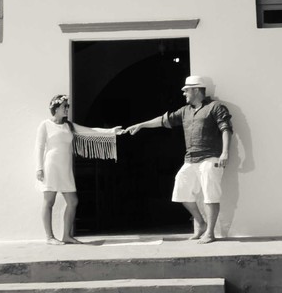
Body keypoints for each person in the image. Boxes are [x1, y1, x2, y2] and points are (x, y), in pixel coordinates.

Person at [125, 75, 232, 243]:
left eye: (186, 90)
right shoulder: (185, 111)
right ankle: (201, 223)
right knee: (181, 190)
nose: (184, 94)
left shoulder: (215, 107)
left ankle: (210, 233)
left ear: (196, 90)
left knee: (210, 195)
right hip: (190, 159)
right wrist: (141, 125)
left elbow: (226, 129)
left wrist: (225, 153)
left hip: (211, 158)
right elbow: (162, 120)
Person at [36, 95, 120, 244]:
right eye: (64, 106)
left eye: (68, 106)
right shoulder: (45, 125)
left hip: (65, 168)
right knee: (49, 201)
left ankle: (66, 236)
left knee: (73, 201)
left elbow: (90, 131)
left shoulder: (69, 126)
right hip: (51, 166)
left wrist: (111, 132)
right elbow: (40, 147)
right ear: (55, 109)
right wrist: (39, 168)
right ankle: (49, 237)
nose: (67, 109)